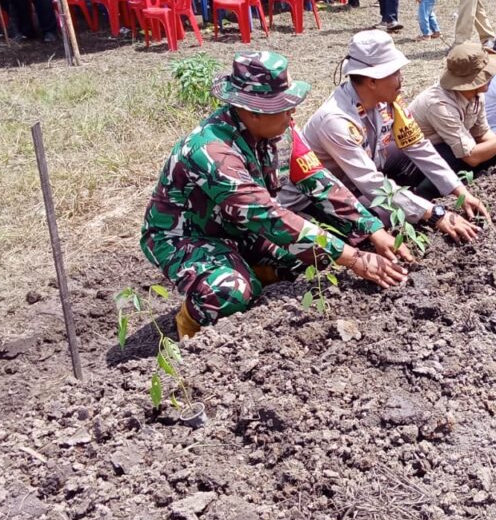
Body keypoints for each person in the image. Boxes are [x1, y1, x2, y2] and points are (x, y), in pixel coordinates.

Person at [142, 51, 408, 340]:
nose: (292, 114)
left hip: (240, 229)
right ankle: (191, 325)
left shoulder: (279, 132)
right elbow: (268, 217)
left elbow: (317, 181)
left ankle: (252, 270)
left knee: (314, 257)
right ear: (253, 111)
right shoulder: (211, 151)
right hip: (185, 237)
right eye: (284, 108)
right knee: (230, 292)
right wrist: (355, 259)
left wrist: (373, 229)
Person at [284, 30, 488, 242]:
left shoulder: (388, 102)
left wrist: (460, 192)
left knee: (404, 190)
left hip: (351, 186)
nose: (401, 78)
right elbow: (371, 183)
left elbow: (418, 145)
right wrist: (436, 214)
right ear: (372, 81)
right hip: (313, 200)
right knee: (381, 223)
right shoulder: (336, 121)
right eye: (395, 73)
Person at [409, 43, 496, 176]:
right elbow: (471, 157)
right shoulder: (440, 105)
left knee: (492, 155)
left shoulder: (476, 95)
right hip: (415, 159)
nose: (492, 76)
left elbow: (481, 133)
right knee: (457, 160)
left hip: (447, 145)